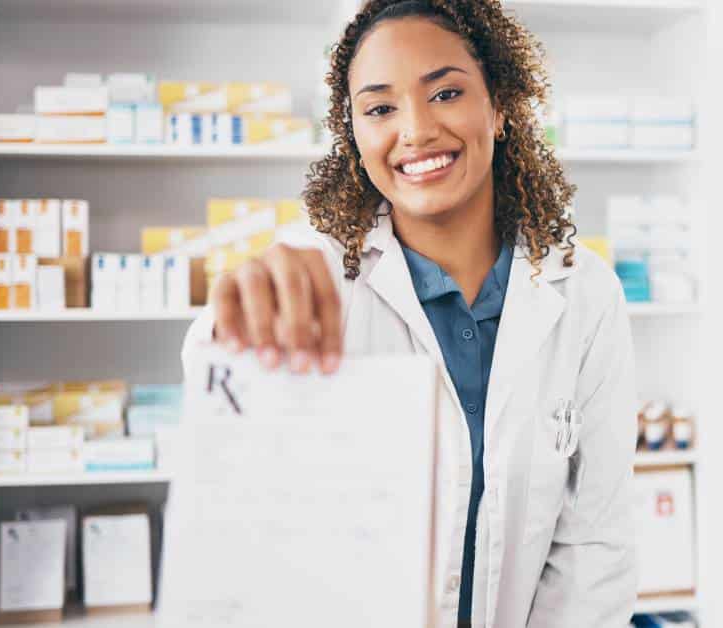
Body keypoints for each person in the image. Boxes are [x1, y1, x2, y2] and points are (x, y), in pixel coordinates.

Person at [182, 1, 637, 625]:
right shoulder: (322, 282)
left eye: (445, 92)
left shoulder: (586, 293)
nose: (416, 130)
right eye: (380, 108)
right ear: (356, 137)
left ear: (499, 107)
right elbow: (222, 405)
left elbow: (595, 547)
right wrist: (238, 316)